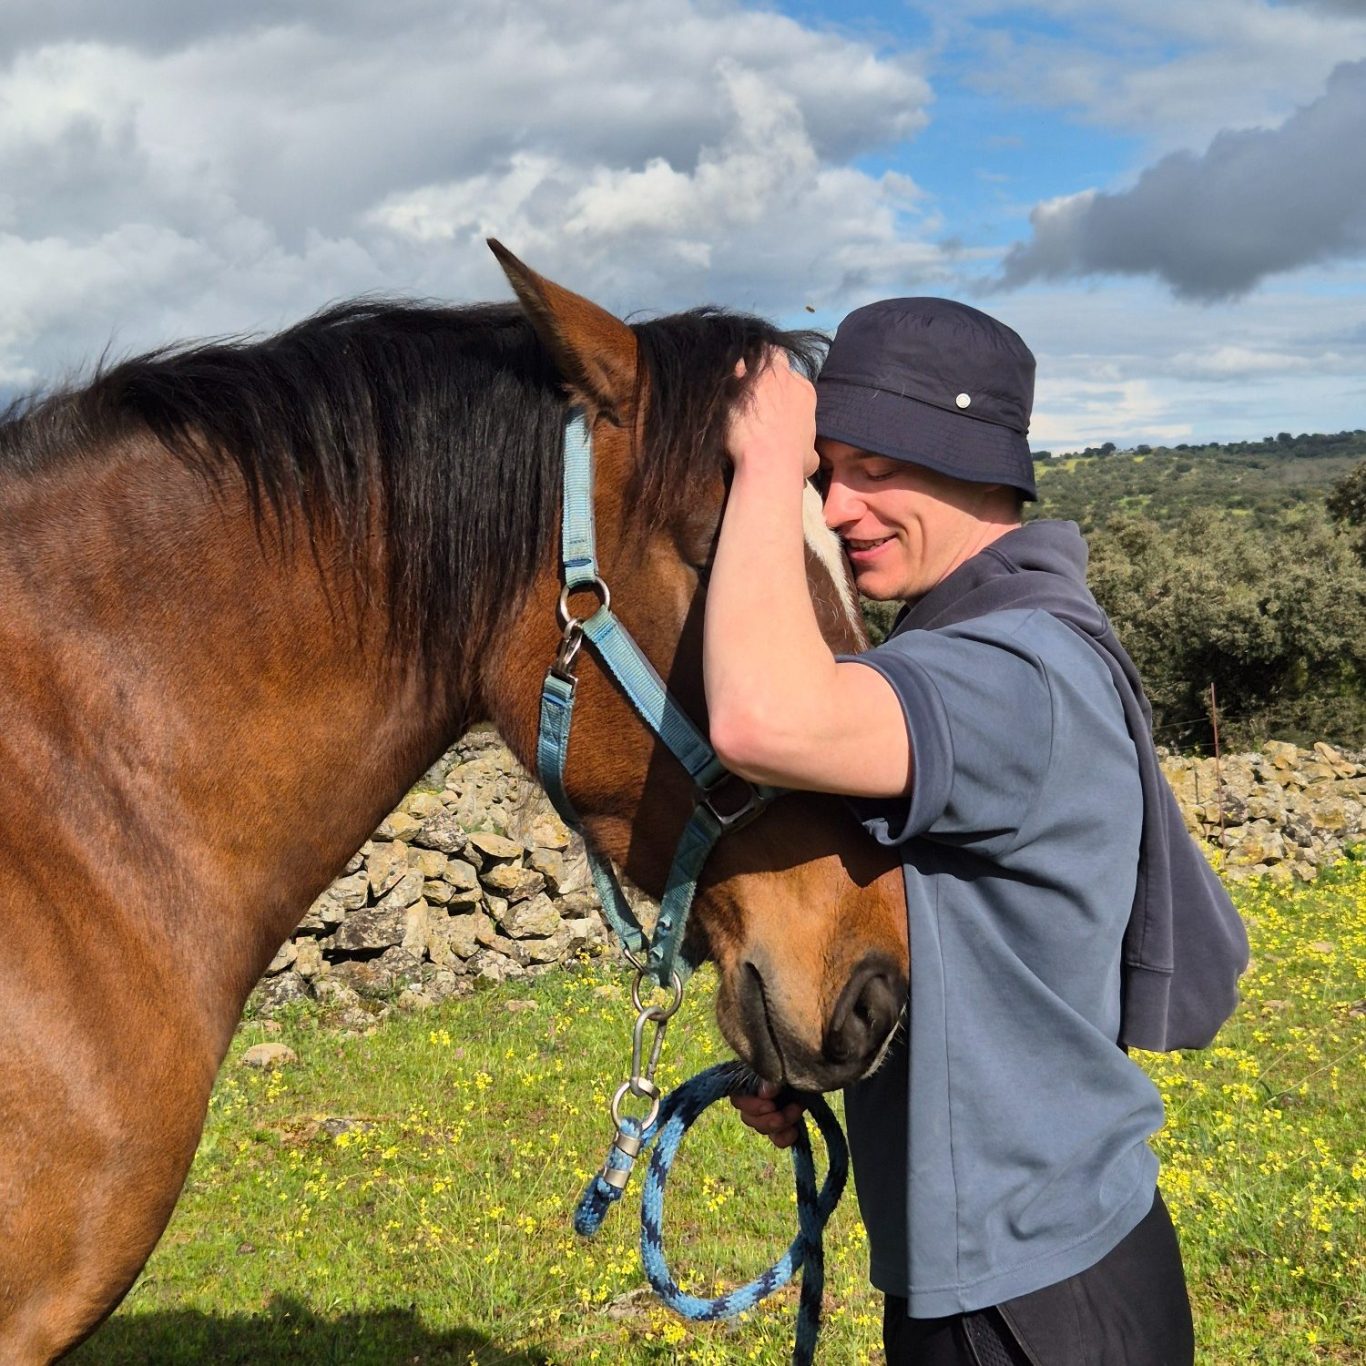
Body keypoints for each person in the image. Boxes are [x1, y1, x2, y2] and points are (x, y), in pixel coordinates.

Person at [708, 298, 1249, 1366]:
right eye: (825, 470)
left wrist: (765, 467)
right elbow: (965, 928)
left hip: (1033, 1305)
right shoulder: (984, 650)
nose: (837, 504)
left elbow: (758, 718)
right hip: (1021, 1273)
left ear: (973, 464)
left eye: (873, 467)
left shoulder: (1014, 672)